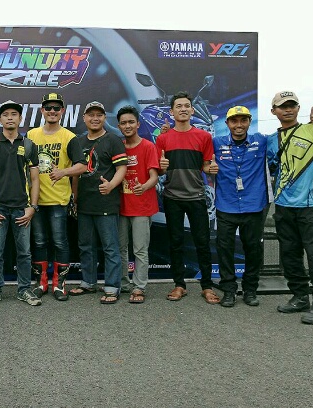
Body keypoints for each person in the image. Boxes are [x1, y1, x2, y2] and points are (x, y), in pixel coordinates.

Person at [267, 91, 313, 324]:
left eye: (292, 105)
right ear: (274, 111)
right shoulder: (271, 140)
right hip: (283, 206)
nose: (288, 109)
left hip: (312, 207)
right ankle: (299, 297)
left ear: (298, 108)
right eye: (282, 106)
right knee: (290, 255)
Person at [156, 91, 220, 305]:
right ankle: (179, 285)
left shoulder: (204, 137)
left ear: (192, 110)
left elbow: (206, 167)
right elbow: (159, 171)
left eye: (186, 106)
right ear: (171, 111)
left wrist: (212, 168)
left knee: (202, 243)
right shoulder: (163, 139)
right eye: (179, 106)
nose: (183, 109)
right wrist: (161, 168)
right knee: (175, 243)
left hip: (196, 196)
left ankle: (207, 286)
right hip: (172, 197)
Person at [0, 100, 42, 307]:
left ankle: (24, 290)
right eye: (5, 114)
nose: (10, 118)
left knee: (24, 253)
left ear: (20, 118)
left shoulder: (29, 145)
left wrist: (32, 207)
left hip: (22, 208)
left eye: (14, 114)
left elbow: (35, 179)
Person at [27, 92, 86, 301]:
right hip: (35, 200)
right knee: (39, 242)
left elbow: (82, 165)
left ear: (62, 111)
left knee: (60, 243)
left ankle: (59, 284)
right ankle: (41, 283)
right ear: (42, 110)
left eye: (56, 108)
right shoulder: (31, 135)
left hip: (59, 200)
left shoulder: (69, 137)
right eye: (48, 108)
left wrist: (63, 172)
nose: (52, 111)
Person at [210, 105, 270, 308]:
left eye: (243, 120)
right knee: (224, 249)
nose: (239, 125)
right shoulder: (216, 143)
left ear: (249, 122)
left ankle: (250, 289)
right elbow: (199, 156)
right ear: (227, 123)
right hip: (226, 205)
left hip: (254, 205)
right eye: (234, 121)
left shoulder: (261, 140)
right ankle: (229, 290)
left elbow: (285, 136)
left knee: (253, 249)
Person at [69, 101, 127, 304]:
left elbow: (122, 168)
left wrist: (111, 185)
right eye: (91, 115)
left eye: (99, 115)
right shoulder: (78, 141)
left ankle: (112, 287)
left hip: (106, 203)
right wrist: (75, 197)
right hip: (85, 204)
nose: (95, 118)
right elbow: (76, 173)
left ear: (104, 118)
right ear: (84, 118)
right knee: (85, 245)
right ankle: (88, 282)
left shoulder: (113, 140)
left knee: (110, 247)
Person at [116, 105, 159, 304]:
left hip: (142, 206)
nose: (127, 126)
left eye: (131, 122)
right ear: (119, 126)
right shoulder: (117, 146)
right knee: (120, 248)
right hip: (120, 206)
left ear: (138, 124)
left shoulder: (148, 146)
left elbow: (154, 177)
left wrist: (144, 187)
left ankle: (139, 286)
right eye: (123, 123)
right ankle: (123, 283)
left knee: (140, 249)